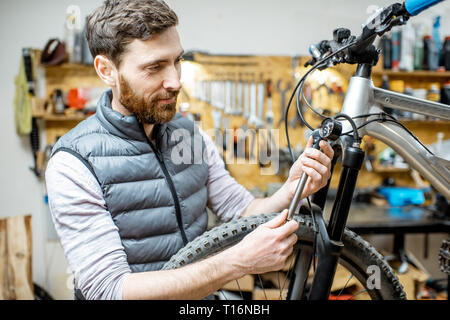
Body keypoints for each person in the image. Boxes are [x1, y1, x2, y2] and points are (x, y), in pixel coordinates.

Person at [45, 0, 334, 300]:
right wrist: (236, 262)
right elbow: (109, 291)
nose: (175, 81)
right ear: (106, 70)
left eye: (177, 61)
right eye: (154, 67)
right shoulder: (74, 163)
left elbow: (241, 212)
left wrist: (292, 189)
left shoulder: (188, 135)